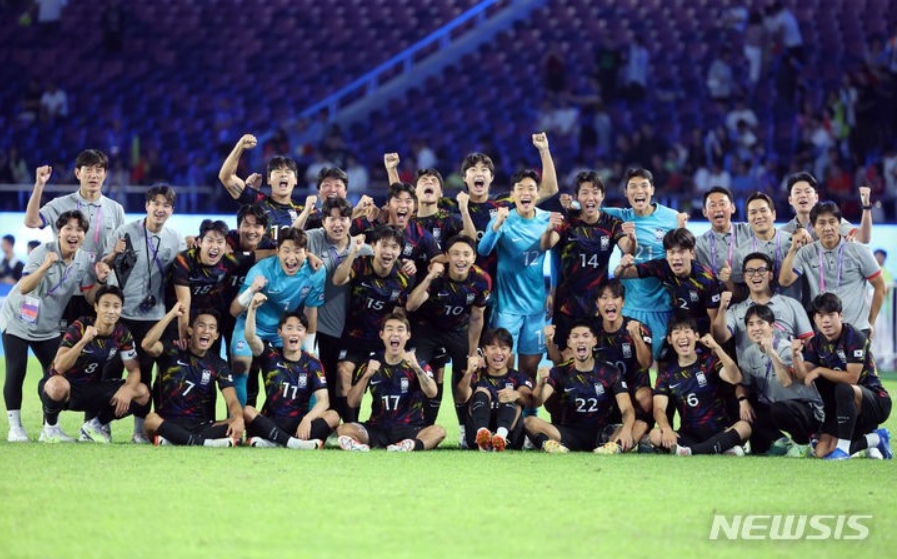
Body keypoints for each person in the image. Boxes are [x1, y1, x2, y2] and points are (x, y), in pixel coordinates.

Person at [1, 210, 111, 441]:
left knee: (57, 373)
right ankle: (15, 427)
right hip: (17, 320)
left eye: (79, 229)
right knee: (17, 370)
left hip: (48, 327)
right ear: (58, 231)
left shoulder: (83, 260)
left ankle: (50, 429)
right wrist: (45, 266)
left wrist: (100, 281)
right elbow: (24, 288)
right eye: (68, 228)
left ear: (84, 235)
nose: (74, 233)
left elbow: (91, 299)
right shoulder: (43, 252)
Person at [103, 184, 186, 443]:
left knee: (146, 373)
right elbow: (105, 267)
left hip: (154, 318)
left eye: (166, 205)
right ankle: (99, 425)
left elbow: (184, 270)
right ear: (147, 205)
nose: (160, 209)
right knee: (111, 371)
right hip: (123, 314)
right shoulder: (125, 233)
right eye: (156, 204)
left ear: (172, 210)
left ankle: (139, 430)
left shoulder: (175, 238)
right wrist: (111, 255)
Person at [38, 286, 151, 443]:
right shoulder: (80, 326)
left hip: (92, 388)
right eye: (106, 305)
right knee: (57, 385)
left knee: (141, 392)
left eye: (116, 306)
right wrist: (83, 341)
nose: (111, 311)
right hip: (65, 387)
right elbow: (59, 367)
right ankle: (50, 429)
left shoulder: (122, 334)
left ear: (121, 310)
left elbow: (134, 370)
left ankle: (93, 426)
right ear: (96, 307)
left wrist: (127, 390)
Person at [24, 149, 126, 319]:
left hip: (98, 290)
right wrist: (39, 185)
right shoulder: (60, 204)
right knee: (62, 344)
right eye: (88, 170)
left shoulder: (116, 209)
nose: (93, 175)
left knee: (94, 342)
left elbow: (119, 251)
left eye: (98, 170)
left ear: (105, 174)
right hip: (64, 290)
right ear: (78, 173)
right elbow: (31, 221)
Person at [229, 227, 326, 406]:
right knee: (240, 367)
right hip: (252, 324)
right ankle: (236, 425)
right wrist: (251, 291)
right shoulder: (262, 270)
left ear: (306, 253)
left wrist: (310, 349)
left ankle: (309, 426)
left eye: (297, 251)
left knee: (310, 368)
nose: (291, 257)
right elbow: (234, 310)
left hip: (282, 328)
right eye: (286, 251)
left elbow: (311, 311)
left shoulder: (316, 272)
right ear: (277, 251)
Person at [478, 167, 556, 385]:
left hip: (535, 309)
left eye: (531, 188)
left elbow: (556, 253)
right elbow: (483, 250)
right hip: (507, 308)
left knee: (530, 369)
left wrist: (552, 292)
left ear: (537, 194)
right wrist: (495, 227)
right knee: (503, 367)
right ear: (513, 194)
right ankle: (505, 415)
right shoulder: (503, 218)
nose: (526, 193)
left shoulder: (547, 220)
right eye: (520, 188)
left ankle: (529, 416)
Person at [406, 235, 491, 432]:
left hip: (457, 329)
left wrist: (472, 352)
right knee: (415, 369)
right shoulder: (437, 277)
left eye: (466, 254)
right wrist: (428, 277)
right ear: (446, 256)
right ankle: (419, 427)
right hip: (427, 329)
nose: (461, 259)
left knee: (468, 372)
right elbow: (411, 305)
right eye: (455, 254)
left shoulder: (481, 280)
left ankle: (466, 430)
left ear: (473, 257)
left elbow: (477, 317)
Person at [542, 171, 636, 348]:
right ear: (577, 196)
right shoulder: (567, 221)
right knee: (562, 361)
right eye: (584, 193)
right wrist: (548, 231)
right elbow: (547, 244)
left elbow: (628, 248)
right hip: (566, 305)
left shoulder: (612, 224)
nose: (590, 197)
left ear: (602, 196)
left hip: (597, 307)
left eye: (595, 192)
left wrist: (632, 239)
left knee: (597, 361)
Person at [793, 293, 892, 460]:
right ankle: (876, 439)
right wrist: (796, 355)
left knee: (844, 388)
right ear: (815, 319)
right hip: (844, 407)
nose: (825, 321)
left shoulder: (855, 337)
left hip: (875, 400)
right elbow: (805, 377)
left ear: (840, 316)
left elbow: (852, 378)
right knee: (821, 452)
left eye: (831, 315)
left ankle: (844, 449)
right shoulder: (816, 342)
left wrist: (820, 371)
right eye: (820, 316)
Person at [332, 225, 412, 422]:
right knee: (343, 373)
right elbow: (337, 279)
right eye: (383, 245)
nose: (388, 251)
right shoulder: (361, 265)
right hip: (353, 336)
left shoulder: (403, 277)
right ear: (373, 246)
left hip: (381, 340)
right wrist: (353, 253)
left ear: (400, 251)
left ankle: (388, 425)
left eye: (394, 247)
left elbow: (400, 314)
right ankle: (350, 427)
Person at [336, 312, 447, 452]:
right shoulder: (371, 363)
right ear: (381, 334)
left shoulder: (418, 363)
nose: (395, 334)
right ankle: (360, 446)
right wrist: (366, 375)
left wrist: (417, 369)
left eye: (400, 329)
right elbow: (352, 402)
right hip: (377, 428)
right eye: (389, 329)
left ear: (408, 335)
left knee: (438, 431)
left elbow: (432, 393)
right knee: (343, 428)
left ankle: (409, 445)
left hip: (410, 428)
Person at [603, 167, 684, 358]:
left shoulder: (672, 218)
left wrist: (681, 226)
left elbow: (684, 255)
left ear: (652, 190)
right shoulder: (620, 216)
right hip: (630, 306)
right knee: (633, 369)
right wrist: (569, 204)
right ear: (625, 192)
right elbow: (588, 209)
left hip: (663, 307)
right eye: (633, 186)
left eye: (644, 186)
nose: (639, 190)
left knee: (662, 368)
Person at [242, 294, 338, 449]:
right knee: (247, 411)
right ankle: (294, 443)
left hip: (299, 424)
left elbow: (324, 400)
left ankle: (273, 442)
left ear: (305, 335)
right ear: (280, 332)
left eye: (299, 329)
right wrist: (252, 309)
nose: (294, 333)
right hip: (271, 421)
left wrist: (307, 419)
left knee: (333, 416)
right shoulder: (270, 355)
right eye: (289, 328)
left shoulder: (312, 363)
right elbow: (250, 337)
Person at [525, 323, 636, 454]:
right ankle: (552, 447)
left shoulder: (610, 372)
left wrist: (627, 429)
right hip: (567, 433)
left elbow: (627, 408)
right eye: (575, 337)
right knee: (529, 421)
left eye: (586, 336)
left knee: (637, 425)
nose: (581, 340)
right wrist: (540, 383)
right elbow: (537, 402)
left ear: (594, 341)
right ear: (569, 343)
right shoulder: (559, 372)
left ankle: (612, 447)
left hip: (603, 434)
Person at [142, 304, 243, 447]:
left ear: (216, 336)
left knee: (237, 422)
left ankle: (176, 440)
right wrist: (171, 315)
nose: (206, 331)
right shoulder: (172, 350)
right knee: (150, 420)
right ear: (190, 330)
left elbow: (232, 400)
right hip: (167, 423)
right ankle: (205, 443)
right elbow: (147, 344)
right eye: (201, 326)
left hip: (201, 426)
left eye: (212, 328)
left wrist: (238, 418)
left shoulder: (218, 364)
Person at [779, 201, 885, 335]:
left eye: (832, 222)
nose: (828, 228)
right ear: (813, 226)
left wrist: (871, 322)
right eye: (822, 223)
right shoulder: (806, 253)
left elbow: (880, 286)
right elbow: (784, 281)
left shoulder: (859, 250)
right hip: (823, 332)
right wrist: (793, 250)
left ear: (839, 224)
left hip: (857, 330)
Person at [649, 317, 751, 455]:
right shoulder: (666, 374)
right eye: (677, 333)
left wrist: (717, 348)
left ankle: (690, 452)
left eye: (687, 331)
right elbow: (658, 409)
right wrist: (666, 429)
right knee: (655, 435)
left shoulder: (709, 362)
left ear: (696, 336)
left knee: (744, 427)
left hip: (719, 431)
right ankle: (721, 449)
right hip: (689, 435)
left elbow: (735, 378)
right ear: (669, 339)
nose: (682, 336)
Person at [305, 197, 373, 404]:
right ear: (323, 221)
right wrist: (306, 254)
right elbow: (286, 244)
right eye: (331, 219)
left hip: (344, 323)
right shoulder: (312, 238)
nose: (337, 224)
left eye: (343, 218)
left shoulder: (364, 251)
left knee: (338, 374)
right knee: (310, 373)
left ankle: (339, 423)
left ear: (350, 221)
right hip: (310, 319)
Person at [735, 305, 823, 457]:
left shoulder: (786, 348)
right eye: (751, 324)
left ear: (772, 327)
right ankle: (783, 441)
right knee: (744, 405)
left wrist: (771, 352)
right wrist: (743, 400)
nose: (755, 328)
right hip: (777, 404)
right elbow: (743, 384)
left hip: (807, 409)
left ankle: (803, 444)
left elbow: (786, 381)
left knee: (780, 409)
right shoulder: (749, 354)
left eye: (760, 323)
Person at [614, 228, 722, 337]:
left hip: (702, 335)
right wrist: (623, 266)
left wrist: (713, 348)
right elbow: (620, 274)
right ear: (666, 254)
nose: (676, 258)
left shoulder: (706, 280)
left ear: (692, 253)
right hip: (677, 333)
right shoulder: (662, 267)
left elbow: (714, 320)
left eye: (681, 252)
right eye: (672, 252)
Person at [713, 252, 813, 361]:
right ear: (744, 277)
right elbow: (721, 337)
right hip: (752, 375)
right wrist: (722, 308)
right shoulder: (735, 311)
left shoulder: (792, 305)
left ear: (770, 275)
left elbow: (809, 343)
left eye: (761, 270)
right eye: (750, 271)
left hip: (789, 373)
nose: (756, 275)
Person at [455, 328, 533, 451]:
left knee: (509, 395)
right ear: (484, 351)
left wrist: (516, 394)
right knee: (481, 392)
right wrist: (469, 372)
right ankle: (483, 436)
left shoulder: (518, 377)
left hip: (510, 437)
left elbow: (529, 397)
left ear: (510, 352)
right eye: (493, 348)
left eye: (503, 348)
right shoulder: (477, 375)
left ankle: (500, 437)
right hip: (475, 436)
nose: (498, 352)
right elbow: (460, 397)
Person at [217, 134, 305, 242]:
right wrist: (240, 147)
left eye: (288, 172)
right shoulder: (257, 201)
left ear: (295, 180)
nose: (283, 175)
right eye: (278, 172)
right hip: (258, 258)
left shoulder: (306, 211)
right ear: (269, 180)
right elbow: (226, 177)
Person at [172, 219, 241, 351]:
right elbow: (183, 303)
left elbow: (257, 255)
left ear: (226, 246)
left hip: (209, 322)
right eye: (210, 240)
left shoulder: (229, 260)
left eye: (220, 242)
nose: (215, 246)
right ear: (199, 242)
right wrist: (184, 336)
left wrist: (284, 251)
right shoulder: (184, 261)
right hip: (180, 320)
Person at [351, 181, 441, 281]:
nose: (403, 205)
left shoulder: (421, 235)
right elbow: (337, 231)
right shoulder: (370, 222)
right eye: (398, 200)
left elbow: (439, 260)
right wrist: (357, 210)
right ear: (388, 205)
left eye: (408, 201)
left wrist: (422, 266)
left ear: (414, 207)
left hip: (400, 291)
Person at [384, 154, 475, 250]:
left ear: (441, 193)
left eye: (434, 181)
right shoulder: (406, 218)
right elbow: (398, 196)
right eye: (424, 180)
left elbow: (470, 241)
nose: (429, 182)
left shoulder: (450, 220)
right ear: (415, 192)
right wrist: (392, 169)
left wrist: (464, 211)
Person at [729, 192, 801, 302]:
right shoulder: (740, 253)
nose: (758, 216)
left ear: (773, 214)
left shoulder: (794, 242)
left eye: (763, 211)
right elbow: (740, 290)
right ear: (748, 218)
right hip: (758, 314)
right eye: (753, 212)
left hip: (792, 313)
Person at [778, 171, 870, 243]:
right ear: (790, 200)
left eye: (807, 191)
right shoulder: (783, 233)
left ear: (816, 197)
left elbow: (863, 239)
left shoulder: (832, 222)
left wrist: (866, 207)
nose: (803, 195)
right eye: (797, 192)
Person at [694, 186, 752, 279]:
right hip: (715, 292)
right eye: (712, 205)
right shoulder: (698, 244)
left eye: (722, 204)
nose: (718, 209)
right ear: (705, 212)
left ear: (732, 208)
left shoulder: (749, 231)